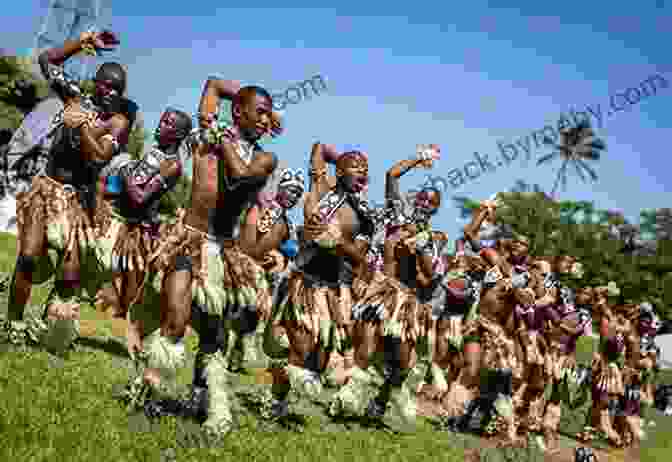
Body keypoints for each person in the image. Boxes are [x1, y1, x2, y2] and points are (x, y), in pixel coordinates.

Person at [130, 82, 279, 439]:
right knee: (177, 318)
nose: (266, 119)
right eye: (259, 111)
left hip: (223, 252)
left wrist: (223, 136)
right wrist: (232, 104)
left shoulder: (264, 158)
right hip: (189, 241)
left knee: (214, 337)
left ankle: (205, 401)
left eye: (269, 113)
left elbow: (240, 175)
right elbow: (212, 84)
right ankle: (147, 390)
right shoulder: (205, 137)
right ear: (238, 111)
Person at [2, 30, 134, 351]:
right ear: (96, 84)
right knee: (30, 254)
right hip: (45, 188)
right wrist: (82, 42)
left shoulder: (118, 122)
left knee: (70, 273)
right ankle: (14, 323)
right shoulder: (76, 97)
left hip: (78, 200)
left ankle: (55, 326)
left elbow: (99, 156)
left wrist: (82, 123)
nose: (108, 91)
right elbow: (47, 60)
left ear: (121, 94)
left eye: (115, 88)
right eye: (104, 84)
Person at [269, 143, 374, 415]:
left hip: (332, 292)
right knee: (302, 350)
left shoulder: (364, 216)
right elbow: (318, 149)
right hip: (303, 282)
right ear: (338, 171)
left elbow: (359, 259)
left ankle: (278, 387)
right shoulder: (321, 189)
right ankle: (276, 403)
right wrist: (341, 160)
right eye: (355, 165)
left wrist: (339, 242)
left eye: (365, 167)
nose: (362, 169)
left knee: (318, 360)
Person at [95, 108, 192, 357]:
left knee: (132, 297)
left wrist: (125, 170)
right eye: (162, 119)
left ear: (180, 134)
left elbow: (139, 197)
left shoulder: (172, 166)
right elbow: (126, 190)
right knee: (96, 265)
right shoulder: (153, 153)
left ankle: (143, 343)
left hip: (138, 232)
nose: (161, 125)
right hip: (119, 222)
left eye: (169, 123)